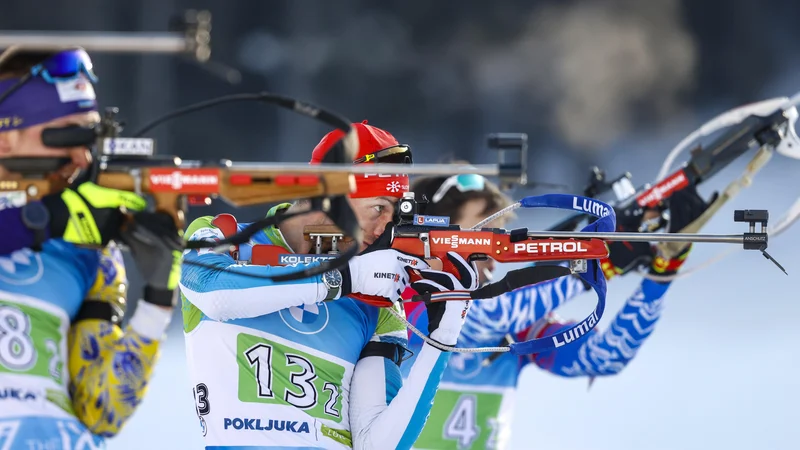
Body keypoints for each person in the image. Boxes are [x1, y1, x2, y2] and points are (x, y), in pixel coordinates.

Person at [179, 120, 478, 450]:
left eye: (393, 216)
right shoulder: (224, 236)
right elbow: (212, 292)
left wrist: (442, 337)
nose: (384, 229)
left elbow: (378, 445)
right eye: (377, 208)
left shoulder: (376, 299)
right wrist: (342, 279)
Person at [401, 173, 712, 450]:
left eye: (500, 233)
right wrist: (593, 264)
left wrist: (662, 272)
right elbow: (475, 322)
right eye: (485, 231)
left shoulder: (517, 319)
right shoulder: (403, 299)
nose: (496, 250)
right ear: (435, 235)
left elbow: (605, 356)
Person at [0, 47, 182, 449]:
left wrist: (156, 300)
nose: (82, 157)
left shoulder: (84, 245)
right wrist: (45, 219)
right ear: (7, 135)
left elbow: (102, 411)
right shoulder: (61, 220)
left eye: (92, 137)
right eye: (67, 135)